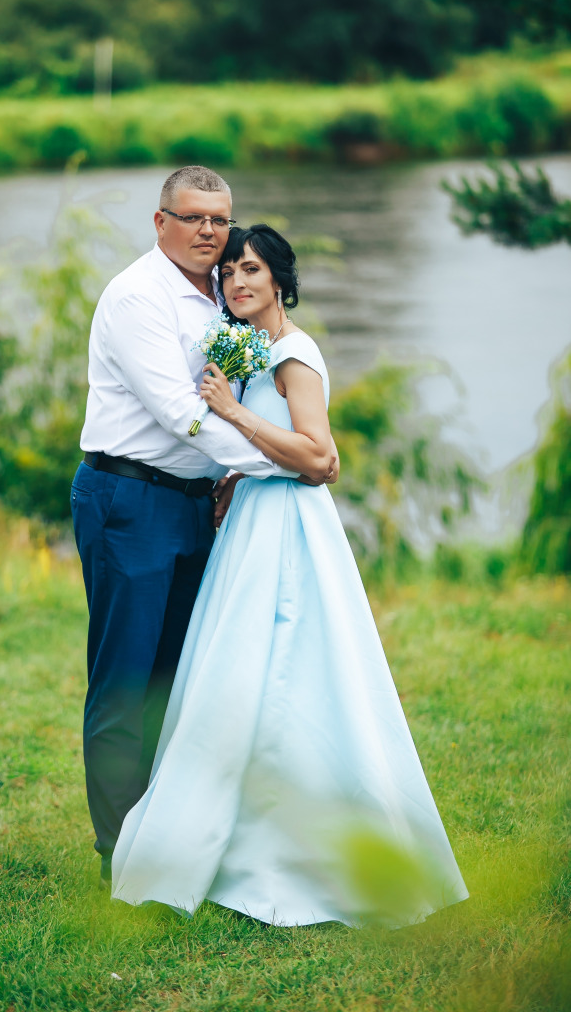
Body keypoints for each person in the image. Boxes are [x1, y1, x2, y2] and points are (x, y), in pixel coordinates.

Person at [111, 225, 468, 927]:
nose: (237, 283)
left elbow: (318, 457)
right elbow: (277, 452)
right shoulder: (257, 351)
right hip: (253, 522)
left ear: (278, 279)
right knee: (240, 674)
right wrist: (236, 471)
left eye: (251, 270)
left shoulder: (293, 354)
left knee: (288, 671)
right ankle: (240, 835)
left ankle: (308, 849)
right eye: (229, 275)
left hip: (290, 532)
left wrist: (234, 415)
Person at [71, 170, 336, 889]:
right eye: (193, 219)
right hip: (128, 499)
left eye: (220, 220)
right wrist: (281, 467)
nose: (209, 232)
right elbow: (180, 413)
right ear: (160, 222)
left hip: (195, 503)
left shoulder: (218, 299)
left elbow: (249, 389)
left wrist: (236, 475)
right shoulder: (137, 297)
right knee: (126, 678)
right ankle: (117, 854)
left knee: (179, 678)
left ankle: (167, 833)